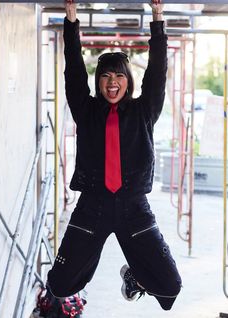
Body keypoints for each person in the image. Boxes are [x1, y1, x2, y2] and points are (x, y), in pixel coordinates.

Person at [47, 0, 182, 312]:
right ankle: (90, 261)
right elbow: (74, 70)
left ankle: (135, 277)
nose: (111, 83)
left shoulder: (143, 111)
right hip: (92, 206)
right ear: (99, 81)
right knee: (59, 285)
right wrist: (71, 22)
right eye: (105, 77)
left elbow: (158, 71)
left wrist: (158, 19)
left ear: (127, 80)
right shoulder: (87, 110)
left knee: (170, 290)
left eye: (118, 76)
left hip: (134, 207)